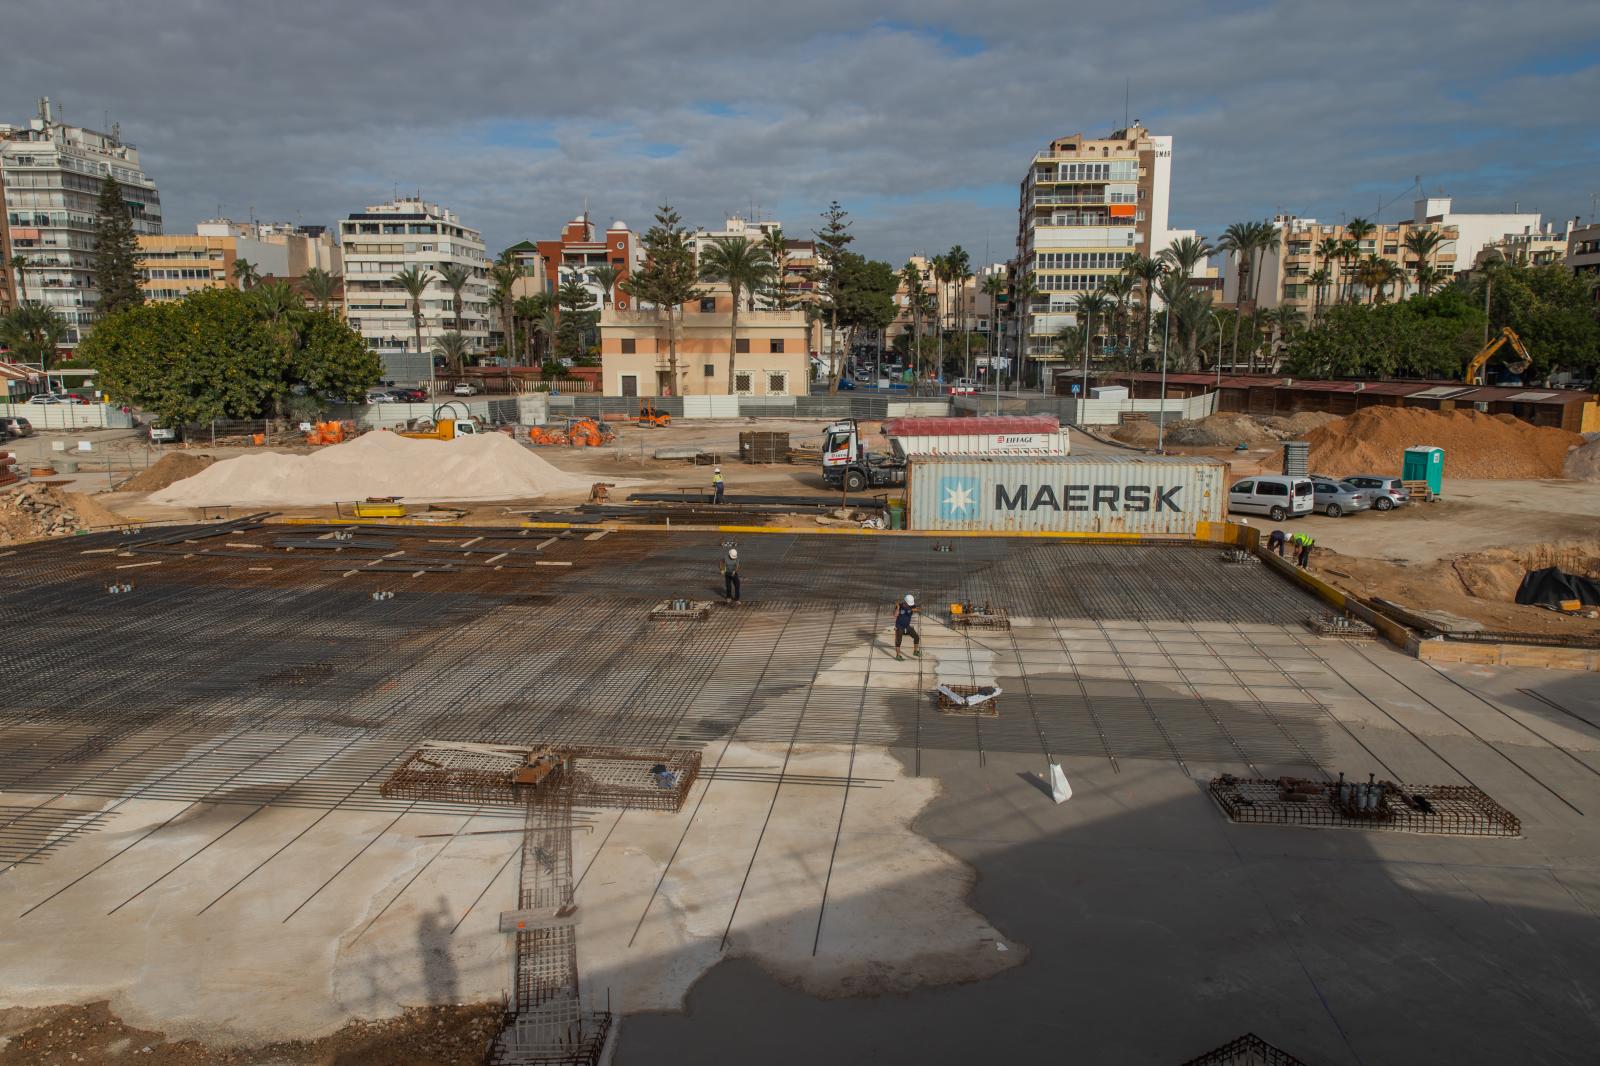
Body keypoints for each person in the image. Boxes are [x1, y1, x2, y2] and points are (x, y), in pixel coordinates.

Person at [893, 594, 921, 660]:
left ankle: (915, 651)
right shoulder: (899, 606)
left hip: (907, 626)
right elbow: (895, 615)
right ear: (905, 602)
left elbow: (918, 609)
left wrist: (916, 610)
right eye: (909, 604)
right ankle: (898, 656)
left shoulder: (912, 606)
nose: (910, 605)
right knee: (898, 642)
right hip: (899, 627)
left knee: (916, 637)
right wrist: (898, 608)